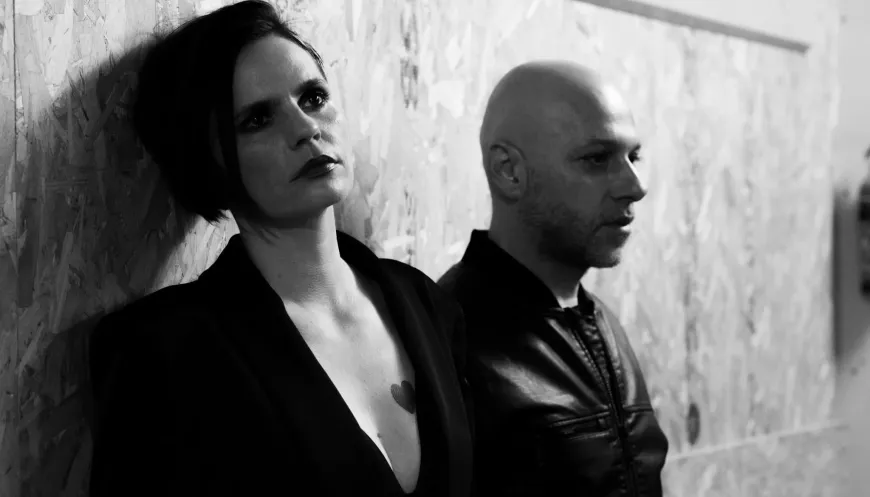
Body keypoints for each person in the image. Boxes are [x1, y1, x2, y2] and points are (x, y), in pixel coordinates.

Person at [87, 2, 473, 496]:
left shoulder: (426, 302)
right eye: (257, 119)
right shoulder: (162, 352)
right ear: (206, 158)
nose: (306, 128)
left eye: (313, 97)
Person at [438, 60, 669, 497]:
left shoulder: (602, 322)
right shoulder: (448, 339)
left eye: (633, 156)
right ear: (509, 171)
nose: (635, 186)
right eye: (596, 159)